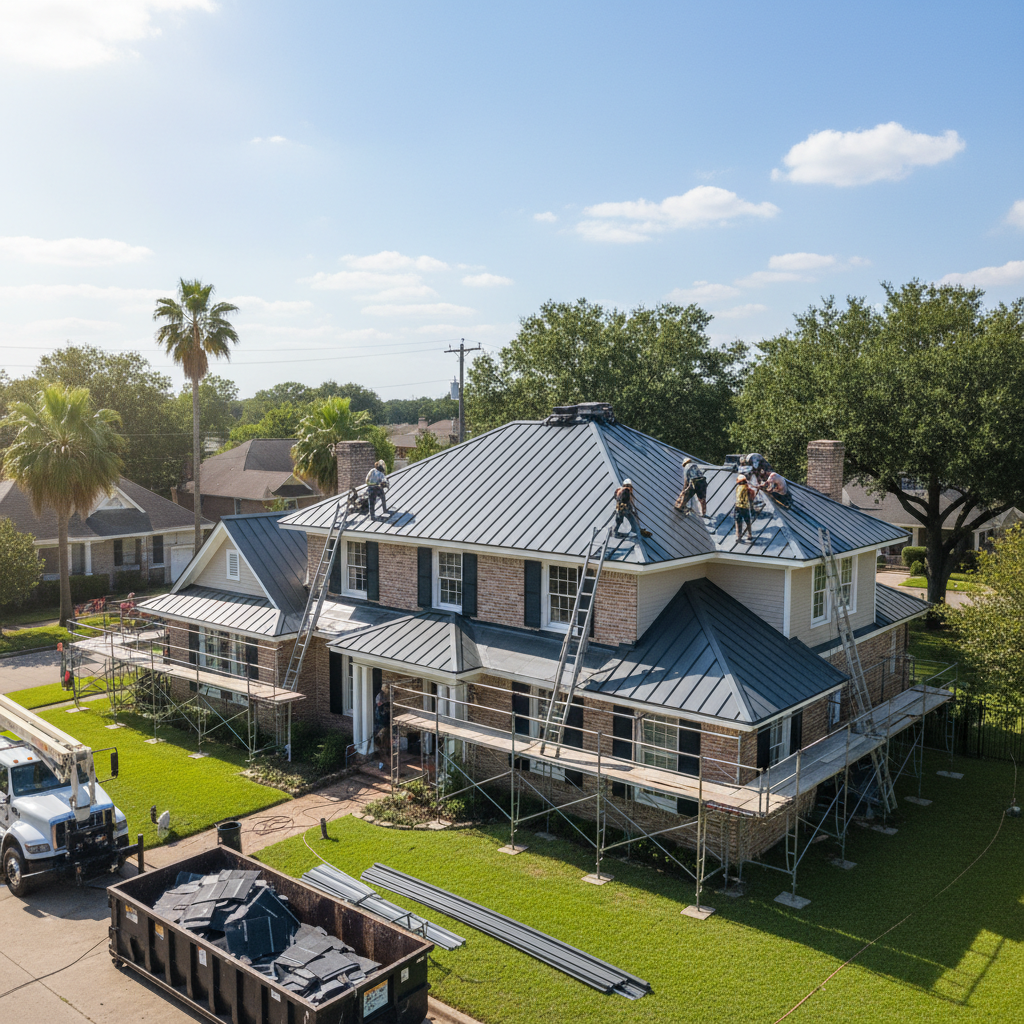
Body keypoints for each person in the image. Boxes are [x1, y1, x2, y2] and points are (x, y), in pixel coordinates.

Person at [734, 473, 756, 542]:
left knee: (738, 522)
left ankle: (739, 537)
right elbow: (751, 498)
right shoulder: (748, 488)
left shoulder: (738, 488)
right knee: (747, 521)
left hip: (738, 507)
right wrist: (752, 508)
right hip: (745, 507)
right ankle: (750, 534)